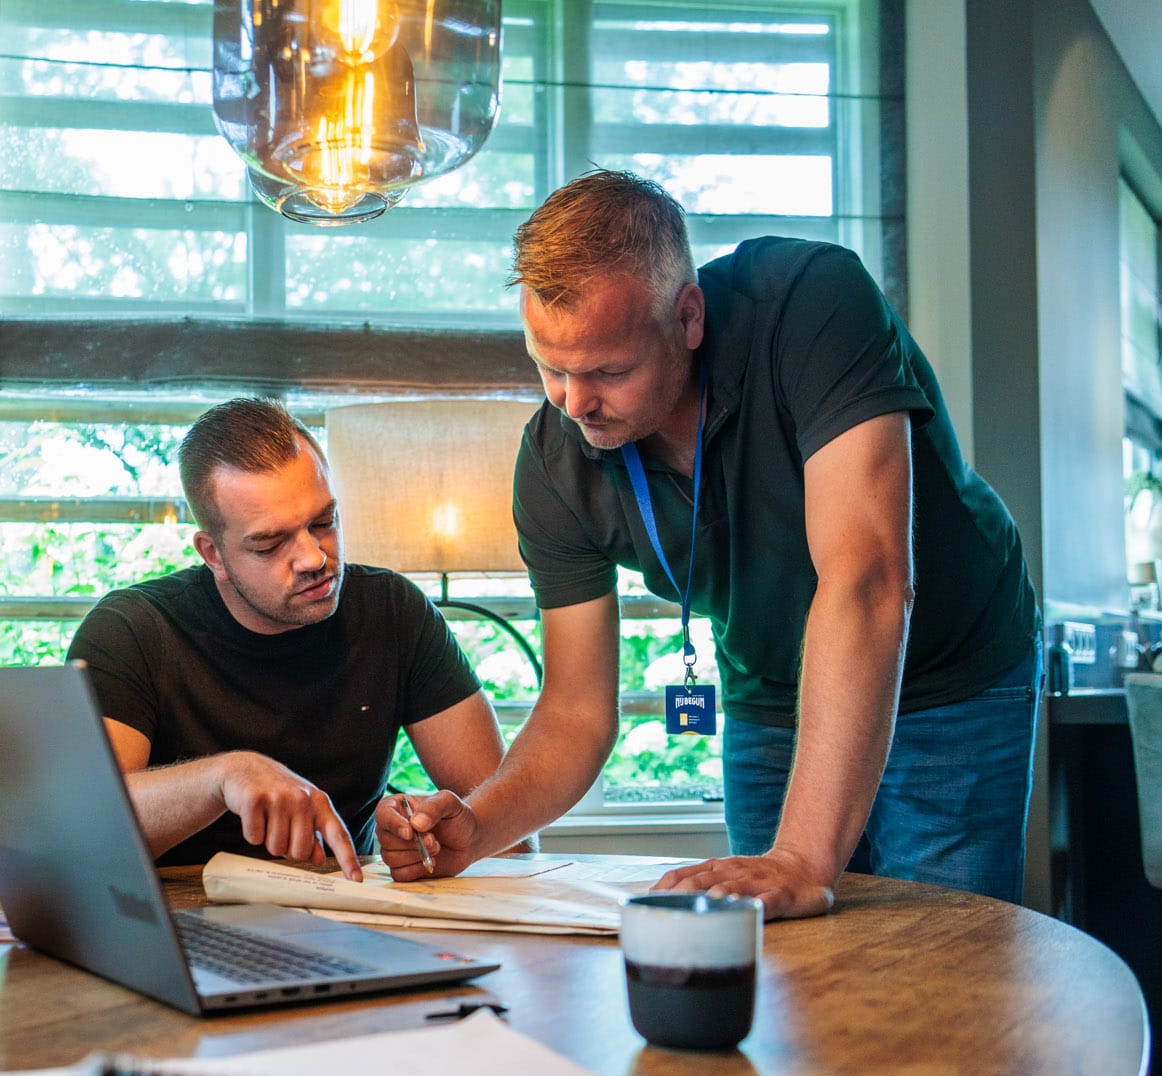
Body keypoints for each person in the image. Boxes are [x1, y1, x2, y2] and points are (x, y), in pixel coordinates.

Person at [378, 170, 1041, 918]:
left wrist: (801, 858)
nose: (574, 402)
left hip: (949, 668)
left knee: (936, 954)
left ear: (688, 318)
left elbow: (868, 578)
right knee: (780, 956)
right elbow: (574, 710)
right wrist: (479, 826)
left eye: (607, 371)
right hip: (769, 689)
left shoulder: (811, 302)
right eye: (549, 367)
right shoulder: (554, 462)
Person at [68, 397, 512, 879]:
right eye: (270, 543)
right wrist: (223, 777)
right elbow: (77, 837)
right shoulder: (131, 631)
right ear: (213, 553)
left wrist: (433, 838)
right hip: (177, 929)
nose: (314, 558)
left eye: (323, 522)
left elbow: (510, 836)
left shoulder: (393, 612)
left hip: (347, 923)